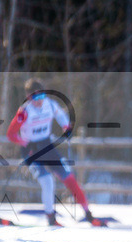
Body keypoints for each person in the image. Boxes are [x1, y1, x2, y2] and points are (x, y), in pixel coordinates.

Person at [6, 78, 105, 227]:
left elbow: (61, 117)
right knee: (47, 181)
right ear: (28, 97)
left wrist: (66, 127)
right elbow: (11, 134)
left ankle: (89, 216)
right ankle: (51, 219)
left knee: (69, 178)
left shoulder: (50, 105)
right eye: (35, 97)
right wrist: (24, 142)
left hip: (46, 145)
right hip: (31, 150)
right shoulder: (24, 112)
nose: (39, 101)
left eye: (41, 96)